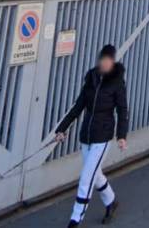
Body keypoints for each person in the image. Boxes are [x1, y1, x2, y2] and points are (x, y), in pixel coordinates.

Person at [55, 44, 129, 226]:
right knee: (95, 174)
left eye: (109, 60)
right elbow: (78, 106)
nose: (105, 63)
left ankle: (75, 219)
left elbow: (122, 110)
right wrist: (61, 129)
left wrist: (121, 135)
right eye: (103, 59)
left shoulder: (117, 82)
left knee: (86, 177)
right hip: (86, 135)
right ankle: (111, 201)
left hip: (103, 136)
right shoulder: (91, 78)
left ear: (113, 62)